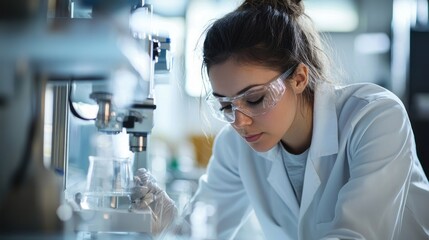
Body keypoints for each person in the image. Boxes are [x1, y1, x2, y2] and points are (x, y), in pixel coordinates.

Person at [132, 0, 429, 239]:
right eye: (225, 105)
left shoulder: (374, 117)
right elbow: (206, 231)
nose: (239, 121)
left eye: (254, 99)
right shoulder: (236, 147)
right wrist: (172, 225)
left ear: (299, 78)